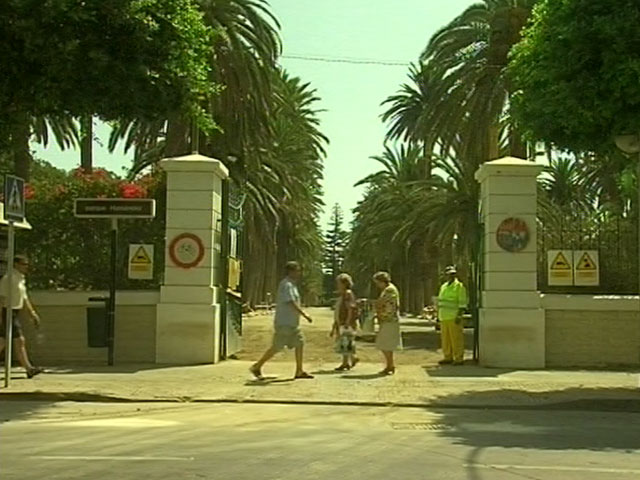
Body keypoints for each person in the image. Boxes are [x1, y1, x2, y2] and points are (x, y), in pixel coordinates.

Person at [250, 261, 314, 380]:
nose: (299, 273)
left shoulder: (292, 285)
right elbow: (291, 302)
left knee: (300, 343)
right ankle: (257, 366)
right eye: (297, 270)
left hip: (292, 324)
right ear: (291, 271)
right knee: (277, 347)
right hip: (284, 323)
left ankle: (299, 371)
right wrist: (304, 314)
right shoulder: (287, 285)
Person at [0, 255, 43, 378]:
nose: (26, 267)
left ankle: (29, 369)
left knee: (3, 341)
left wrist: (32, 313)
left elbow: (24, 299)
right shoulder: (8, 278)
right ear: (16, 264)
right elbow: (1, 298)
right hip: (7, 311)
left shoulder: (20, 279)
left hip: (15, 311)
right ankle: (29, 368)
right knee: (19, 340)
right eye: (24, 264)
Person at [437, 265, 468, 366]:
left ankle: (458, 358)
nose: (451, 276)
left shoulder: (459, 286)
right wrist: (438, 316)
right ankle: (448, 357)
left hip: (454, 317)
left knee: (456, 339)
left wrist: (459, 316)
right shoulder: (444, 286)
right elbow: (440, 302)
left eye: (453, 274)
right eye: (449, 274)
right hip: (443, 316)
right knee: (445, 339)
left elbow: (462, 303)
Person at [372, 271, 402, 375]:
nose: (377, 285)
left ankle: (390, 365)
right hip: (387, 320)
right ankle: (389, 365)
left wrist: (380, 312)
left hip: (389, 320)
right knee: (385, 344)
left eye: (378, 282)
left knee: (386, 344)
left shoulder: (390, 290)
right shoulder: (387, 289)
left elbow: (386, 304)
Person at [330, 273, 359, 371]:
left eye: (339, 283)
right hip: (342, 322)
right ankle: (350, 360)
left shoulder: (347, 294)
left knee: (346, 341)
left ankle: (346, 362)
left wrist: (348, 321)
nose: (337, 285)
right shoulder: (342, 295)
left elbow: (350, 308)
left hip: (346, 322)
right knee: (344, 342)